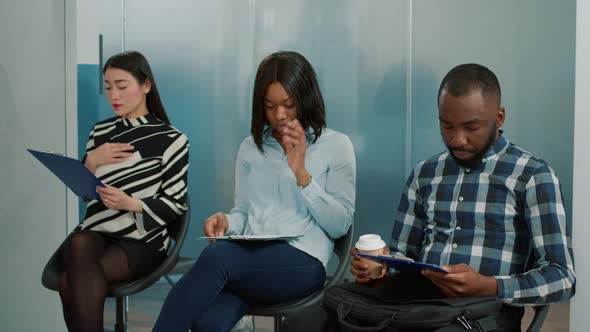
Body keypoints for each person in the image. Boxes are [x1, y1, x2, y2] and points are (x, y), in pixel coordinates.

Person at [284, 63, 576, 331]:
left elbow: (562, 277)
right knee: (304, 321)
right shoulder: (425, 174)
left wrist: (490, 286)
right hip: (415, 304)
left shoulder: (533, 177)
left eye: (471, 127)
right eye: (447, 126)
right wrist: (382, 265)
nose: (457, 139)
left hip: (483, 315)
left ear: (498, 117)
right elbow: (404, 255)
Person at [153, 51, 356, 332]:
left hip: (303, 262)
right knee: (208, 322)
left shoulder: (336, 145)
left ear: (306, 98)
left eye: (289, 104)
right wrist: (227, 221)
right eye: (270, 106)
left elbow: (339, 225)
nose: (279, 115)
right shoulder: (251, 147)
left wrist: (302, 174)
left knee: (216, 258)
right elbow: (245, 212)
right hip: (250, 263)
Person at [57, 51, 190, 332]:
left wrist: (132, 203)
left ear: (146, 86)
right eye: (107, 87)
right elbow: (84, 193)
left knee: (72, 280)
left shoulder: (172, 140)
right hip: (97, 232)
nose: (113, 95)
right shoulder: (100, 132)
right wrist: (93, 160)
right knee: (80, 242)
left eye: (121, 85)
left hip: (141, 239)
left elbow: (176, 205)